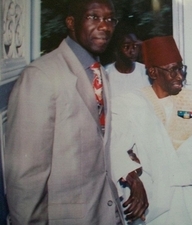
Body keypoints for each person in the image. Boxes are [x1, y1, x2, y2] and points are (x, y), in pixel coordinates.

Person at [4, 0, 125, 224]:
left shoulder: (98, 72)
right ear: (71, 22)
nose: (105, 26)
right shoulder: (41, 75)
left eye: (110, 19)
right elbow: (25, 176)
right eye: (94, 17)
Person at [110, 36, 192, 224]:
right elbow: (114, 146)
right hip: (157, 203)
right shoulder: (130, 103)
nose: (180, 76)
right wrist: (134, 176)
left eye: (181, 68)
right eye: (172, 70)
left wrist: (150, 161)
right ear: (153, 72)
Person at [104, 20, 150, 98]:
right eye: (126, 46)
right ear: (117, 49)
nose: (132, 51)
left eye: (135, 46)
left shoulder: (145, 72)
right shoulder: (106, 74)